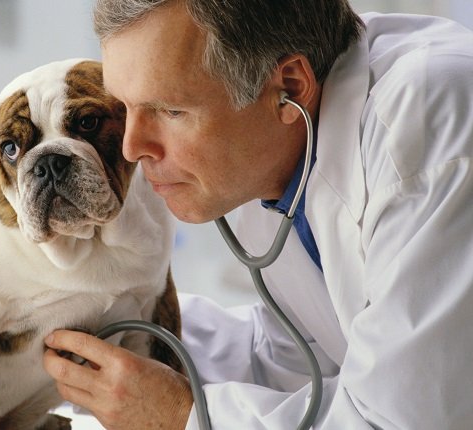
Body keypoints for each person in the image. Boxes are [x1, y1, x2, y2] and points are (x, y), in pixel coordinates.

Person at [43, 0, 473, 428]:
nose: (131, 148)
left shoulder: (430, 120)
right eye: (125, 108)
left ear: (289, 88)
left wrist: (181, 417)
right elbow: (297, 360)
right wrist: (111, 321)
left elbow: (405, 420)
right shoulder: (270, 158)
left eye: (171, 111)